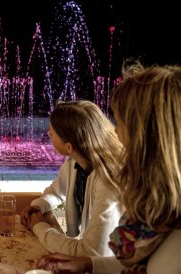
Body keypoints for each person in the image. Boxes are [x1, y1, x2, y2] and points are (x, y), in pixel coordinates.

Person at [37, 65, 181, 273]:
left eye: (121, 124)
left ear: (150, 142)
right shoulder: (159, 215)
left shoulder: (173, 238)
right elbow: (142, 266)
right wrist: (88, 264)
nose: (115, 134)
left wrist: (40, 227)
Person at [20, 100, 123, 257]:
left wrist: (39, 226)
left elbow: (91, 253)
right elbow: (56, 191)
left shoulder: (107, 182)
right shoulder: (76, 161)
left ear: (69, 146)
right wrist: (39, 206)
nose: (48, 134)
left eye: (52, 133)